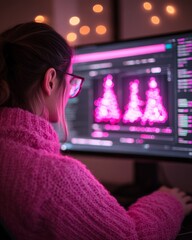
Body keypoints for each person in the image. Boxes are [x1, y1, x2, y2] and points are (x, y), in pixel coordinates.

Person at [0, 22, 191, 240]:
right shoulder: (53, 177)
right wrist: (170, 202)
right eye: (71, 81)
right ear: (51, 81)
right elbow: (132, 237)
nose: (71, 91)